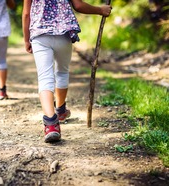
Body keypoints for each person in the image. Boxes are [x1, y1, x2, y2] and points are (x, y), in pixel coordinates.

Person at [22, 0, 112, 143]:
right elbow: (78, 5)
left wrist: (26, 39)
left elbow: (27, 14)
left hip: (40, 34)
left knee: (45, 78)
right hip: (62, 33)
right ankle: (61, 110)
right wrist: (100, 10)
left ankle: (51, 124)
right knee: (62, 72)